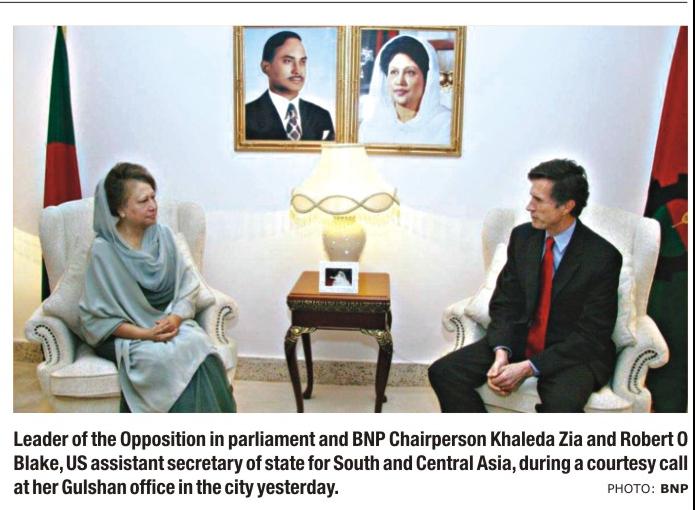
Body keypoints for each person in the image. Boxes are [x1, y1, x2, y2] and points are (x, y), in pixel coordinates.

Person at [428, 159, 622, 413]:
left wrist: (527, 368)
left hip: (571, 353)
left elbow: (591, 335)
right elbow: (505, 303)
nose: (529, 206)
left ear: (567, 206)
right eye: (531, 197)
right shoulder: (523, 237)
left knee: (561, 407)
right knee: (444, 372)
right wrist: (502, 352)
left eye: (538, 200)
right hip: (520, 340)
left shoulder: (602, 257)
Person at [79, 162, 236, 413]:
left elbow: (188, 285)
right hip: (124, 334)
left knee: (198, 345)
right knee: (163, 358)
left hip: (167, 323)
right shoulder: (103, 252)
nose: (153, 205)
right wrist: (145, 334)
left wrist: (175, 318)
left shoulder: (164, 236)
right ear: (120, 209)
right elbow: (97, 320)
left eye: (153, 197)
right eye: (143, 201)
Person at [359, 34, 451, 145]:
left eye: (410, 72)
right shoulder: (370, 127)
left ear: (428, 78)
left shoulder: (447, 124)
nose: (400, 81)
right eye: (394, 72)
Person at [245, 30, 335, 141]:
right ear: (266, 67)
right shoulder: (246, 115)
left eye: (302, 62)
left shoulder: (321, 116)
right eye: (288, 61)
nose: (297, 70)